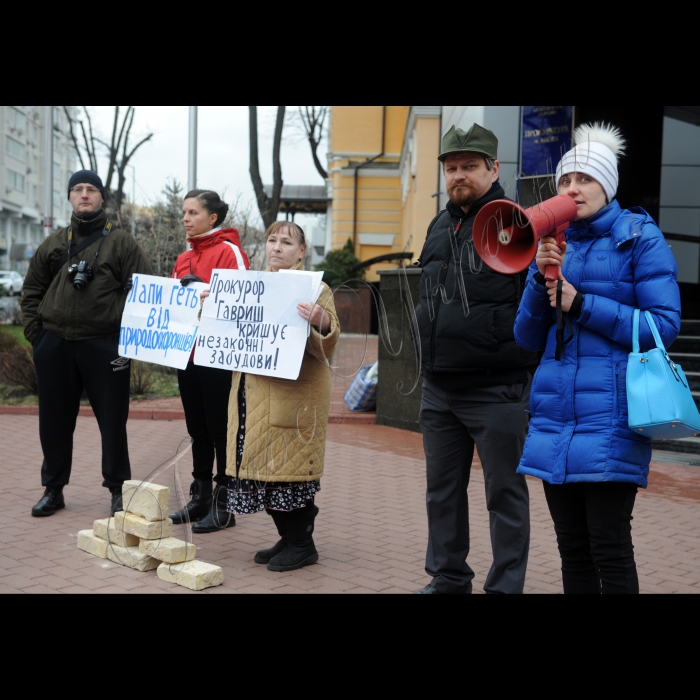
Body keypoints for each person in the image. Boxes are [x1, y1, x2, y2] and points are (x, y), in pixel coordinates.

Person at [514, 123, 681, 594]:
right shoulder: (554, 243)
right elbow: (526, 337)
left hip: (611, 418)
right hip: (554, 420)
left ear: (607, 186)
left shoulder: (639, 237)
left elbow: (662, 327)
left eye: (584, 179)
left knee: (608, 544)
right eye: (565, 181)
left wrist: (581, 303)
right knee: (572, 549)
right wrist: (538, 275)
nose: (571, 189)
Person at [413, 124, 538, 594]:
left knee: (504, 494)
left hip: (497, 387)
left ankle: (505, 586)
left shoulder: (517, 224)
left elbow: (536, 304)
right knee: (441, 493)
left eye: (468, 166)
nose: (458, 176)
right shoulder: (439, 225)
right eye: (451, 168)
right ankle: (448, 577)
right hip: (438, 386)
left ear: (494, 168)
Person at [22, 170, 153, 517]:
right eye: (77, 189)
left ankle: (118, 489)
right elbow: (32, 290)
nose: (84, 195)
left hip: (105, 345)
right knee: (53, 420)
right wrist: (38, 336)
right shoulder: (54, 242)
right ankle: (53, 489)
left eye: (91, 189)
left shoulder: (122, 242)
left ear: (102, 198)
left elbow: (143, 287)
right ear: (69, 197)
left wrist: (120, 328)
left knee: (113, 421)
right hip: (55, 344)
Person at [225, 221, 339, 572]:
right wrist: (214, 307)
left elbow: (328, 346)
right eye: (272, 240)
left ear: (302, 251)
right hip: (251, 399)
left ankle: (303, 544)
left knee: (289, 474)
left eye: (286, 242)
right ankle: (289, 538)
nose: (277, 247)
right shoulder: (251, 287)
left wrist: (321, 322)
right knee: (263, 474)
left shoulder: (315, 289)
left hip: (293, 399)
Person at [168, 190, 250, 533]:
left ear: (212, 217)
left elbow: (245, 300)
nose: (185, 218)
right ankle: (200, 496)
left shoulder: (229, 251)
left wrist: (207, 289)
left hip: (217, 355)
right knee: (196, 429)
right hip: (186, 353)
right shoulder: (183, 256)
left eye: (192, 212)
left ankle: (224, 503)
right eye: (183, 212)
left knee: (221, 430)